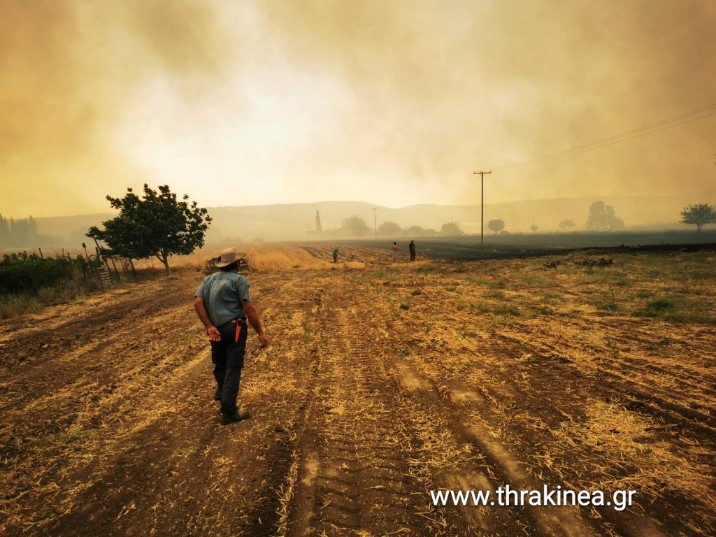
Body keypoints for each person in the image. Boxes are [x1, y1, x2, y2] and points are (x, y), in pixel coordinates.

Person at [194, 247, 269, 425]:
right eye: (239, 260)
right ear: (236, 263)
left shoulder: (208, 280)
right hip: (234, 328)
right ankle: (229, 412)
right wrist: (260, 332)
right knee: (233, 367)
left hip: (216, 329)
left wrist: (209, 326)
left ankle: (222, 393)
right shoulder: (239, 280)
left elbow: (197, 302)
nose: (240, 262)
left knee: (220, 363)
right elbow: (248, 308)